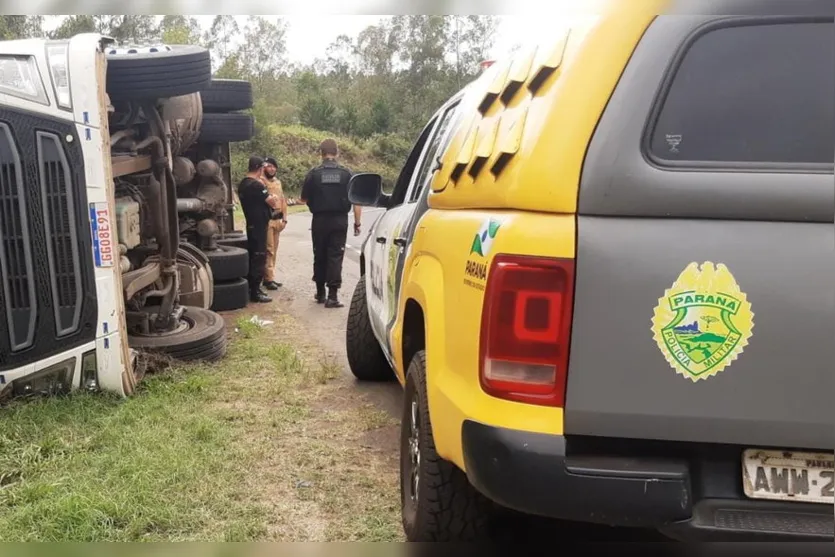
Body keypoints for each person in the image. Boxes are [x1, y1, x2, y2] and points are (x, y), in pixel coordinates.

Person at [300, 139, 362, 308]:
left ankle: (320, 293)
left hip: (319, 220)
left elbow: (304, 198)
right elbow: (357, 201)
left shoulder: (313, 174)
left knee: (319, 253)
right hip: (339, 220)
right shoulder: (348, 174)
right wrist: (357, 223)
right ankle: (332, 296)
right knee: (335, 255)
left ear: (321, 153)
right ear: (337, 153)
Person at [238, 156, 281, 304]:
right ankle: (256, 291)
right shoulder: (256, 186)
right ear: (260, 168)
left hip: (251, 223)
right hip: (259, 225)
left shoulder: (243, 184)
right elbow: (273, 202)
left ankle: (252, 288)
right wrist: (273, 196)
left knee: (254, 255)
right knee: (259, 256)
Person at [262, 156, 287, 291]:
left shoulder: (277, 182)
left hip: (278, 219)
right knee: (269, 250)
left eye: (273, 166)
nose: (271, 169)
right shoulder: (261, 182)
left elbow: (282, 200)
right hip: (268, 220)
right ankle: (268, 278)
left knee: (275, 250)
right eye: (268, 166)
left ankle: (271, 276)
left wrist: (285, 218)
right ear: (263, 168)